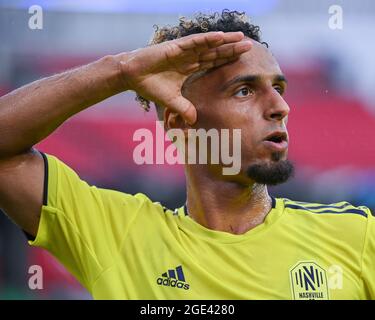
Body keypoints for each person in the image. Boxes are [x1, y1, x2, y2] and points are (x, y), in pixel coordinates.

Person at [0, 10, 373, 300]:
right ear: (180, 124)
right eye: (244, 91)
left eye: (278, 87)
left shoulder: (356, 235)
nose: (279, 106)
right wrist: (120, 71)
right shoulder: (117, 235)